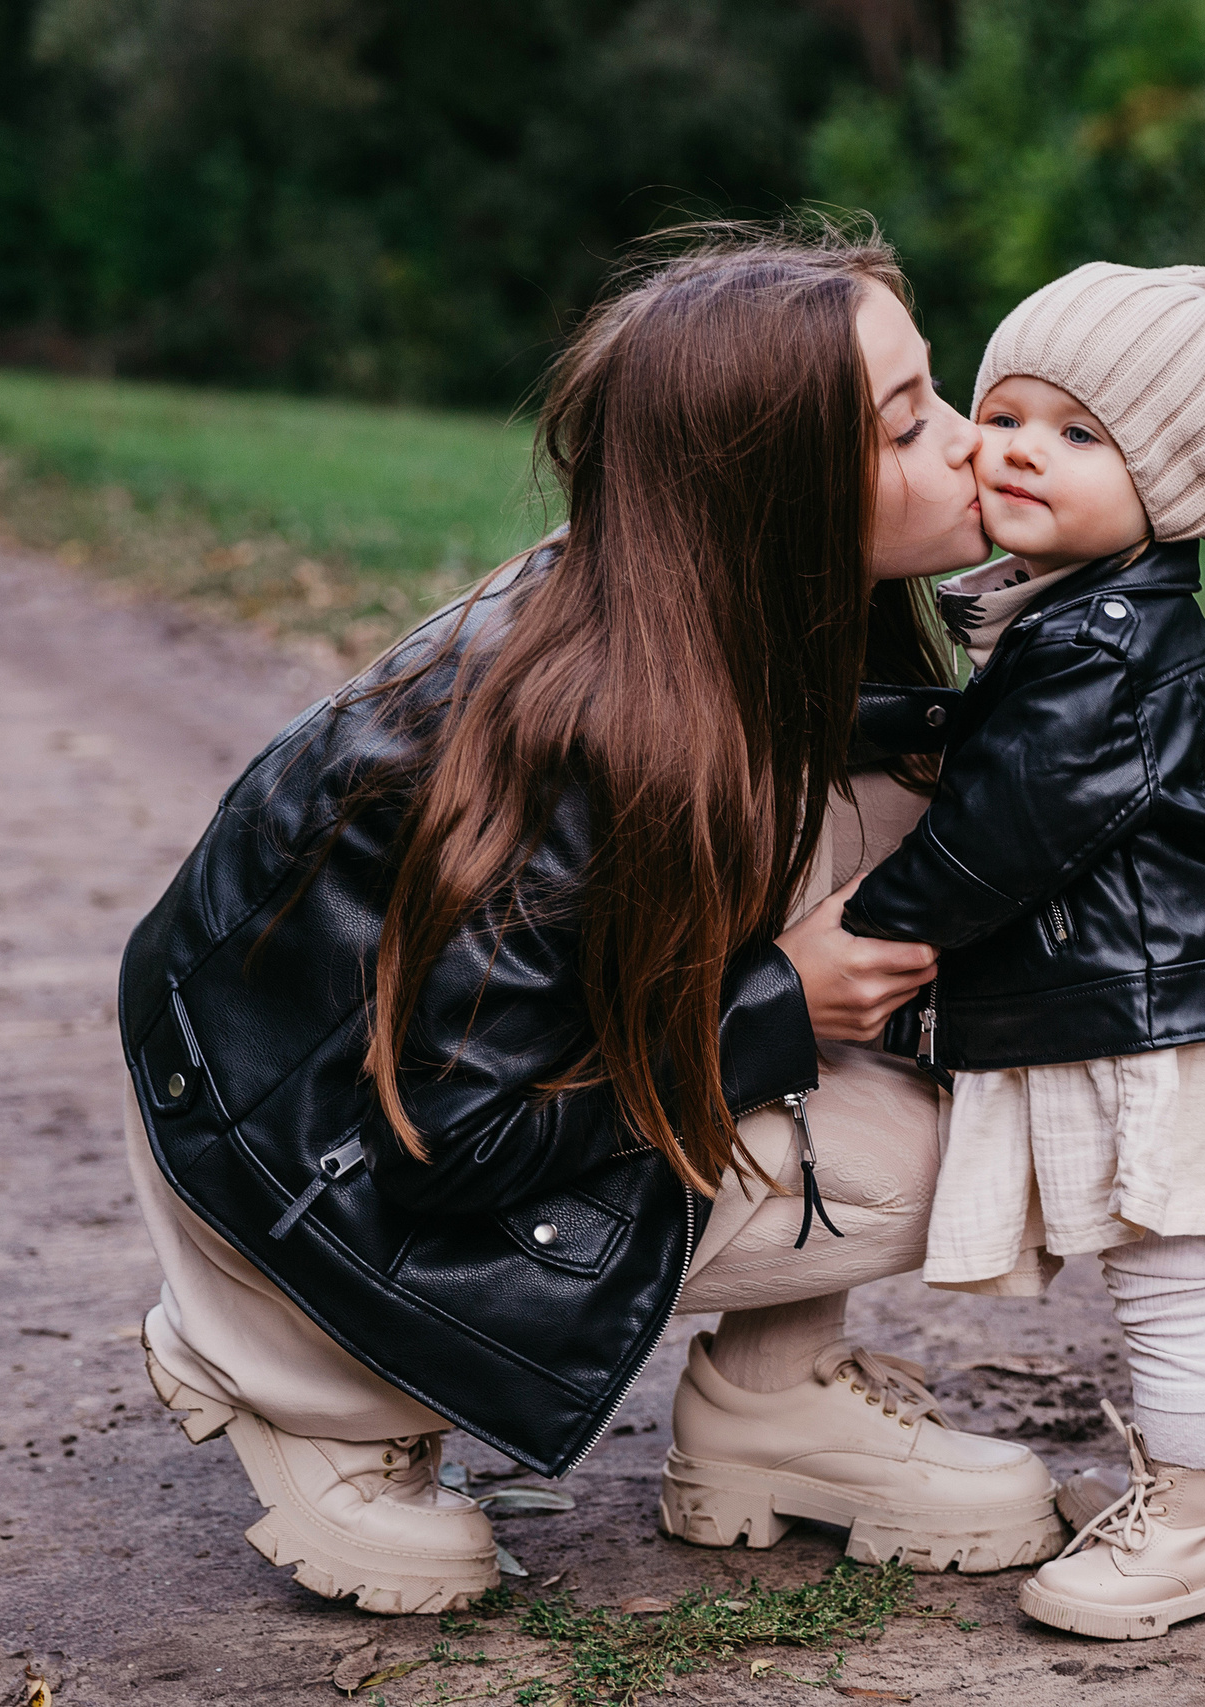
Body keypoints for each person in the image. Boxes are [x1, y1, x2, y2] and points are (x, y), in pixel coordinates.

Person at [118, 223, 1067, 1617]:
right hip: (288, 1159)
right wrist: (772, 1015)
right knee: (961, 1140)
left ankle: (775, 1406)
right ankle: (302, 1369)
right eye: (908, 424)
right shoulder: (592, 741)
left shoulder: (712, 612)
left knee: (922, 863)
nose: (969, 446)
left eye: (940, 397)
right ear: (779, 497)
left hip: (326, 1089)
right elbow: (447, 1138)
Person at [843, 262, 1205, 1641]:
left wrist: (869, 929)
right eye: (1013, 412)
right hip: (1173, 995)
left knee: (1166, 1284)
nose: (1026, 447)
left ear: (1172, 484)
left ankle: (1190, 1528)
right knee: (1192, 1273)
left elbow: (1001, 835)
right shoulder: (1090, 621)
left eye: (1084, 435)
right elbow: (998, 746)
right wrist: (894, 722)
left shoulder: (1107, 652)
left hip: (1150, 1016)